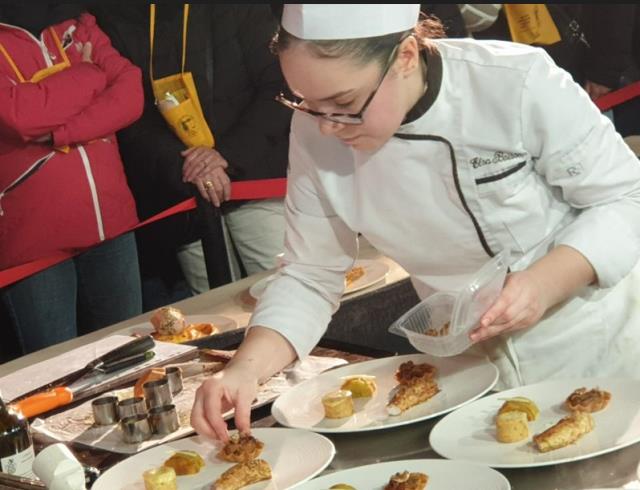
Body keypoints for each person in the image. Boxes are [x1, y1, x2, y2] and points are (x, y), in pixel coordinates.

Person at [191, 4, 640, 442]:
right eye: (308, 104)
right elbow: (310, 273)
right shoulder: (314, 133)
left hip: (590, 347)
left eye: (344, 103)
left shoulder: (514, 82)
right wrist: (246, 368)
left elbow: (625, 197)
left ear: (406, 55)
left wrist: (543, 284)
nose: (327, 126)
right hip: (467, 373)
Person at [93, 4, 291, 296]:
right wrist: (188, 167)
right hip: (184, 192)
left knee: (287, 295)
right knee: (218, 315)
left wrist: (226, 156)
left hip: (255, 180)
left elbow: (280, 87)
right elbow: (131, 119)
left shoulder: (242, 8)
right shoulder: (114, 16)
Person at [0, 4, 143, 356]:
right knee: (56, 371)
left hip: (110, 220)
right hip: (34, 237)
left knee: (132, 355)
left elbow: (130, 95)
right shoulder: (80, 42)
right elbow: (21, 116)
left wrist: (58, 133)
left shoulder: (78, 25)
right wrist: (90, 73)